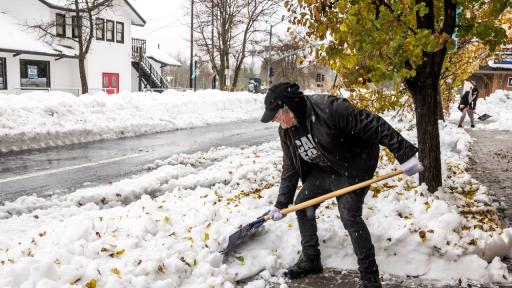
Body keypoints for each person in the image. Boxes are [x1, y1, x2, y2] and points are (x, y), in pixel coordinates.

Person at [260, 82, 424, 288]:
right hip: (326, 169)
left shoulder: (329, 108)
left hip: (354, 167)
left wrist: (405, 155)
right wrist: (282, 203)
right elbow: (290, 167)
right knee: (303, 205)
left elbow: (375, 125)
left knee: (349, 216)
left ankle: (370, 278)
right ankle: (311, 259)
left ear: (289, 108)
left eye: (276, 115)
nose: (275, 120)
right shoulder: (286, 131)